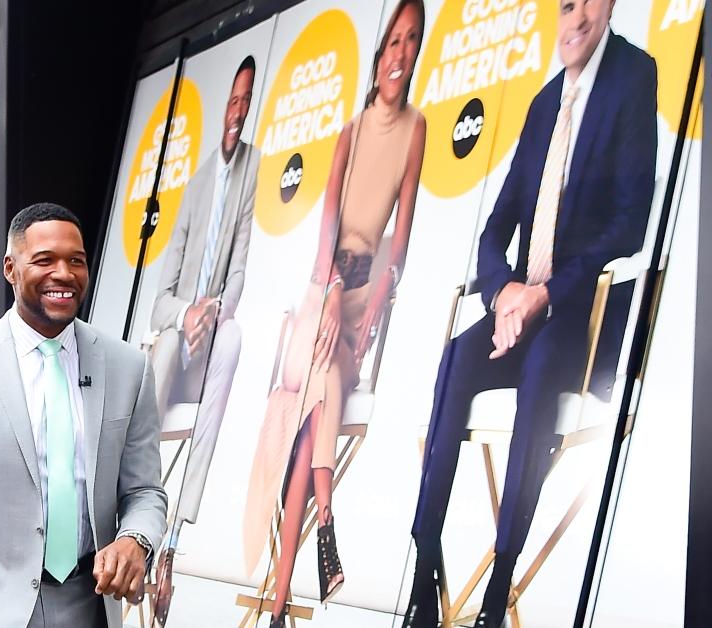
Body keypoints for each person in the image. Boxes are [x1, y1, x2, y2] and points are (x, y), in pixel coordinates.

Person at [404, 1, 657, 626]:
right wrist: (504, 294)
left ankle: (499, 586)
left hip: (577, 312)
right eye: (564, 4)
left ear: (611, 5)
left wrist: (545, 293)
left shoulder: (633, 77)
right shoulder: (545, 103)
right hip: (518, 309)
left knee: (541, 375)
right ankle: (423, 567)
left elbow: (631, 225)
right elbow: (497, 226)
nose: (575, 19)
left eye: (587, 3)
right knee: (455, 362)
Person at [240, 3, 427, 624]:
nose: (400, 53)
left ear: (416, 53)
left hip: (363, 295)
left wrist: (375, 301)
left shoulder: (417, 128)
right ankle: (327, 527)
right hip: (324, 286)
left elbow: (400, 234)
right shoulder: (349, 130)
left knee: (315, 413)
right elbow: (325, 227)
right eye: (392, 41)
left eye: (412, 42)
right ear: (378, 57)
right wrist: (324, 298)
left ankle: (279, 602)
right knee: (322, 382)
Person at [0, 203, 166, 628]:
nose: (63, 273)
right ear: (10, 268)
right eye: (44, 260)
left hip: (90, 606)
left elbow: (145, 492)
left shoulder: (128, 368)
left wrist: (135, 539)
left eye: (75, 261)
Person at [150, 55, 260, 623]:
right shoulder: (195, 188)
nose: (238, 111)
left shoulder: (252, 169)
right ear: (224, 109)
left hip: (212, 339)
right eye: (233, 101)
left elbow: (239, 269)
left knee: (236, 336)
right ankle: (137, 494)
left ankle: (173, 536)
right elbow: (159, 299)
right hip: (177, 347)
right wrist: (186, 313)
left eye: (248, 100)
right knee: (165, 341)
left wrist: (215, 311)